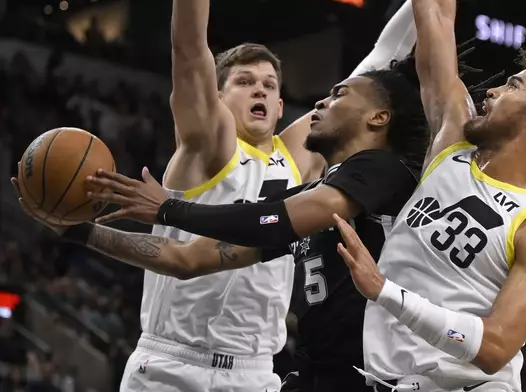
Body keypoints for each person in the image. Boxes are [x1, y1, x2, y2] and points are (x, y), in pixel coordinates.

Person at [15, 2, 419, 392]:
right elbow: (189, 48)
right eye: (244, 82)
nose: (258, 90)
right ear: (217, 99)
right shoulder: (208, 146)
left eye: (268, 85)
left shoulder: (299, 155)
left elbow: (384, 56)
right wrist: (78, 232)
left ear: (280, 107)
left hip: (256, 371)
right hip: (171, 366)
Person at [328, 0, 526, 391]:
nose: (493, 89)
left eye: (513, 85)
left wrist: (385, 291)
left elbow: (495, 346)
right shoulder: (451, 142)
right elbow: (437, 18)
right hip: (393, 380)